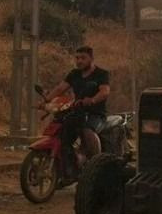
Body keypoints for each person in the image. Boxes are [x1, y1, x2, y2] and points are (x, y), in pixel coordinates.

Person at [40, 46, 110, 179]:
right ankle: (69, 166)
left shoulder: (101, 74)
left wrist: (93, 100)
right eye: (77, 58)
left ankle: (97, 166)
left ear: (91, 58)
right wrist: (46, 101)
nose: (79, 61)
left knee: (87, 131)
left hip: (95, 114)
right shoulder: (74, 74)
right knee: (62, 132)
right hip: (77, 111)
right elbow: (61, 88)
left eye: (83, 58)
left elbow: (105, 91)